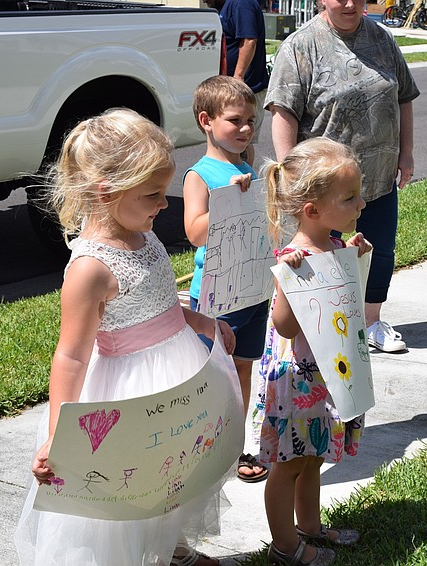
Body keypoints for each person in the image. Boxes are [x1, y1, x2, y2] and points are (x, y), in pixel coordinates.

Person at [15, 109, 236, 566]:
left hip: (174, 371)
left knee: (172, 474)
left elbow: (163, 304)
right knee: (127, 493)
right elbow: (71, 357)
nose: (165, 204)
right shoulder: (90, 269)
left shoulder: (144, 234)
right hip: (127, 390)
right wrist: (61, 437)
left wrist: (204, 324)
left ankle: (172, 547)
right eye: (153, 194)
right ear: (106, 191)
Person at [265, 0, 419, 353]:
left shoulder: (382, 40)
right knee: (317, 256)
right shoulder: (301, 45)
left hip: (378, 177)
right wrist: (292, 174)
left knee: (377, 252)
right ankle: (313, 328)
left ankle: (370, 323)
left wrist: (405, 152)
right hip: (324, 188)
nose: (350, 3)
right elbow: (283, 112)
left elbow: (404, 97)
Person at [258, 138, 370, 565]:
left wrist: (356, 261)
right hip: (298, 377)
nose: (361, 203)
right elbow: (284, 326)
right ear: (312, 211)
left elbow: (350, 304)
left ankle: (309, 525)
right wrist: (290, 281)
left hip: (329, 373)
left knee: (313, 455)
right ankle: (285, 546)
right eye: (350, 197)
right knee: (289, 462)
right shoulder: (294, 258)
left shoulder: (338, 248)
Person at [183, 75, 270, 484]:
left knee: (243, 368)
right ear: (206, 120)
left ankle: (234, 445)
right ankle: (206, 446)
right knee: (214, 375)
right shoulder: (199, 175)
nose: (247, 129)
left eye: (251, 120)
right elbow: (194, 232)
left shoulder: (247, 165)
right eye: (235, 120)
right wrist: (229, 200)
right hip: (218, 296)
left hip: (253, 288)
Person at [204, 0, 268, 168]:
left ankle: (242, 184)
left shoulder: (241, 3)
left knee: (241, 140)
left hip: (246, 89)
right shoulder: (225, 6)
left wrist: (237, 78)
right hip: (230, 88)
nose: (204, 1)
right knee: (231, 141)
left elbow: (249, 41)